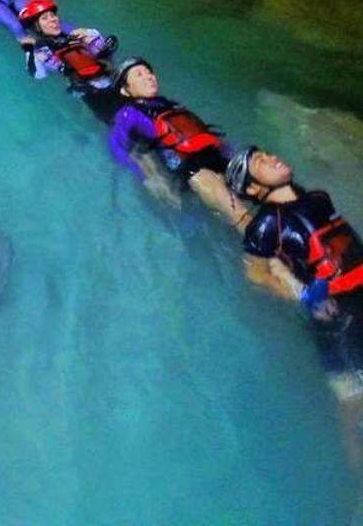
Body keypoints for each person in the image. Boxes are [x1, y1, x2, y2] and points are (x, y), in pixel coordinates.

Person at [226, 146, 363, 464]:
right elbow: (256, 275)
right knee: (354, 408)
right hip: (336, 320)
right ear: (252, 188)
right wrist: (303, 295)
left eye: (266, 153)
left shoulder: (318, 199)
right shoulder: (264, 226)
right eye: (259, 161)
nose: (271, 157)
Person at [107, 58, 238, 222]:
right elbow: (117, 147)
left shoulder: (169, 104)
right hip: (190, 168)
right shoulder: (128, 114)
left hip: (212, 155)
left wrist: (227, 150)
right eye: (139, 75)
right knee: (235, 211)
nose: (149, 77)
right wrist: (145, 176)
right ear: (126, 90)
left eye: (150, 72)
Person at [18, 0, 117, 85]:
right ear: (37, 27)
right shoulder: (40, 51)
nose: (52, 19)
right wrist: (29, 52)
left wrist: (93, 37)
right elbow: (38, 75)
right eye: (44, 18)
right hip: (85, 87)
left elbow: (103, 53)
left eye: (53, 15)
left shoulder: (77, 35)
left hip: (104, 77)